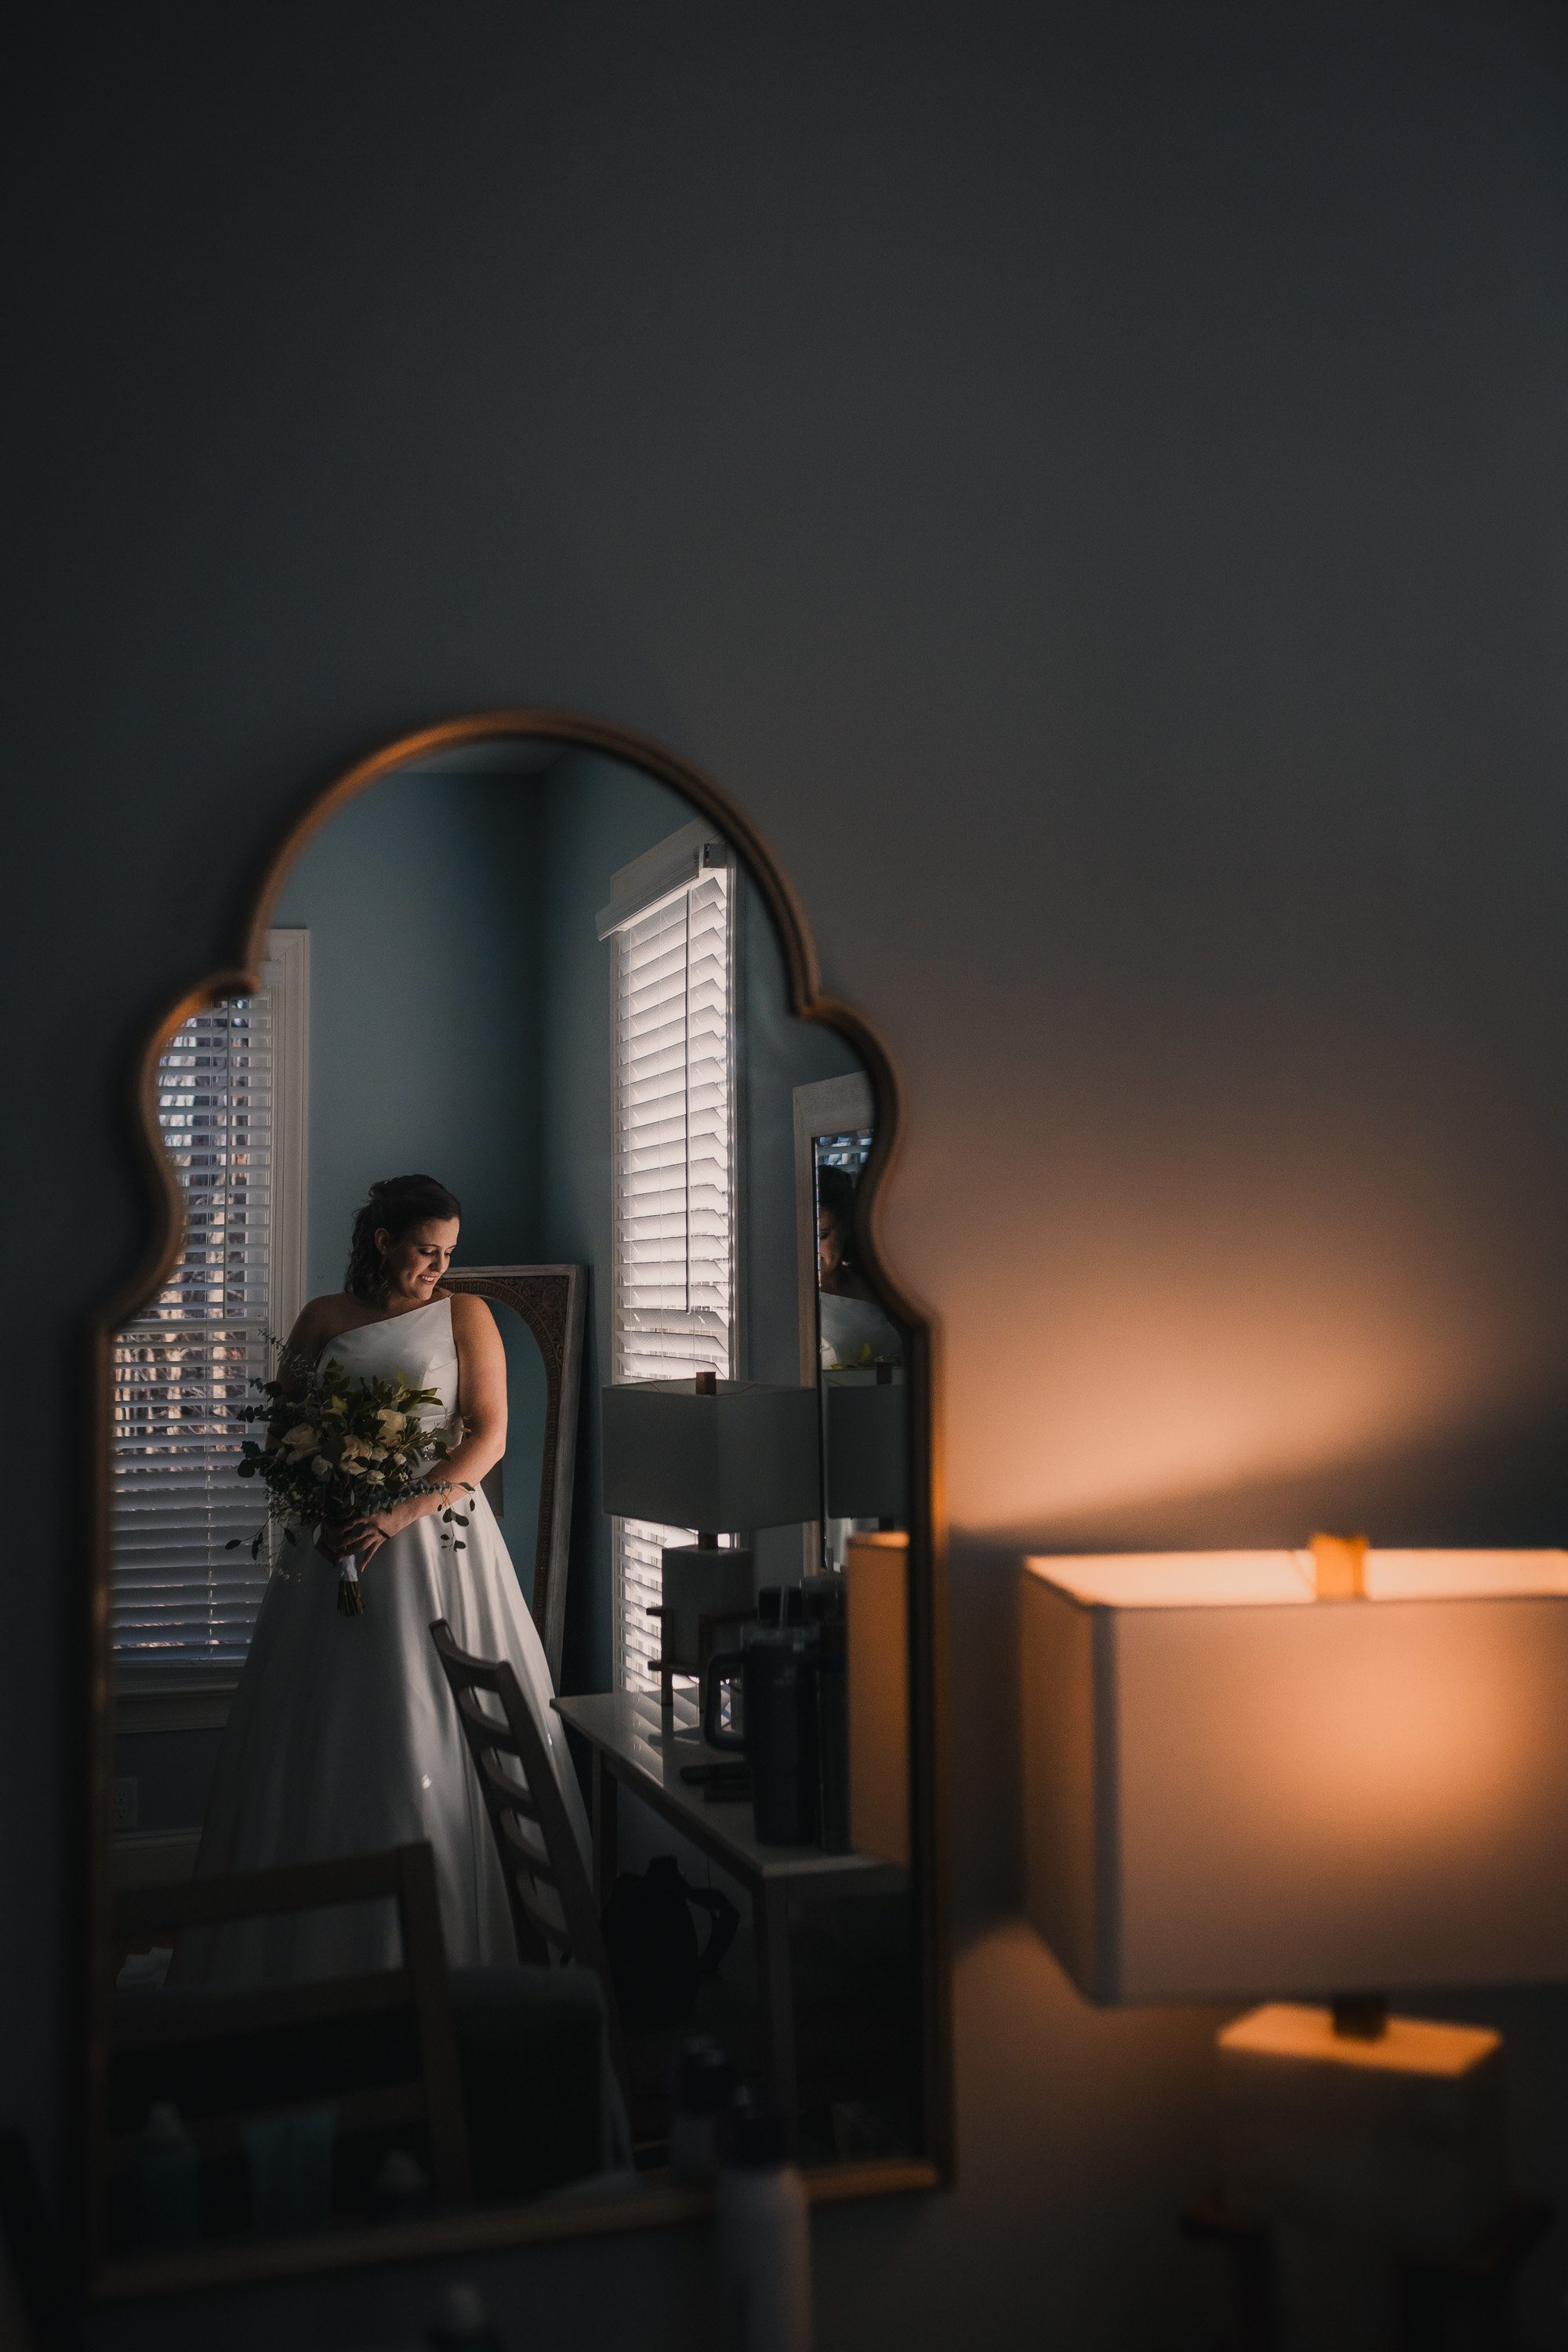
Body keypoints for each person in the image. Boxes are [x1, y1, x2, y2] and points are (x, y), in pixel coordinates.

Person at [170, 1174, 589, 1986]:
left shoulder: (466, 1316)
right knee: (329, 1729)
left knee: (429, 1707)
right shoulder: (321, 1319)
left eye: (448, 1254)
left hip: (436, 1548)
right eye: (427, 1251)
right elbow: (285, 1428)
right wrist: (322, 1504)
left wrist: (398, 1516)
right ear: (382, 1241)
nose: (438, 1268)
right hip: (330, 1546)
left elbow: (489, 1438)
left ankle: (467, 1944)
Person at [815, 1165, 903, 1370]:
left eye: (822, 1236)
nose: (813, 1249)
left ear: (845, 1226)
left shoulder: (876, 1282)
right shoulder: (794, 1306)